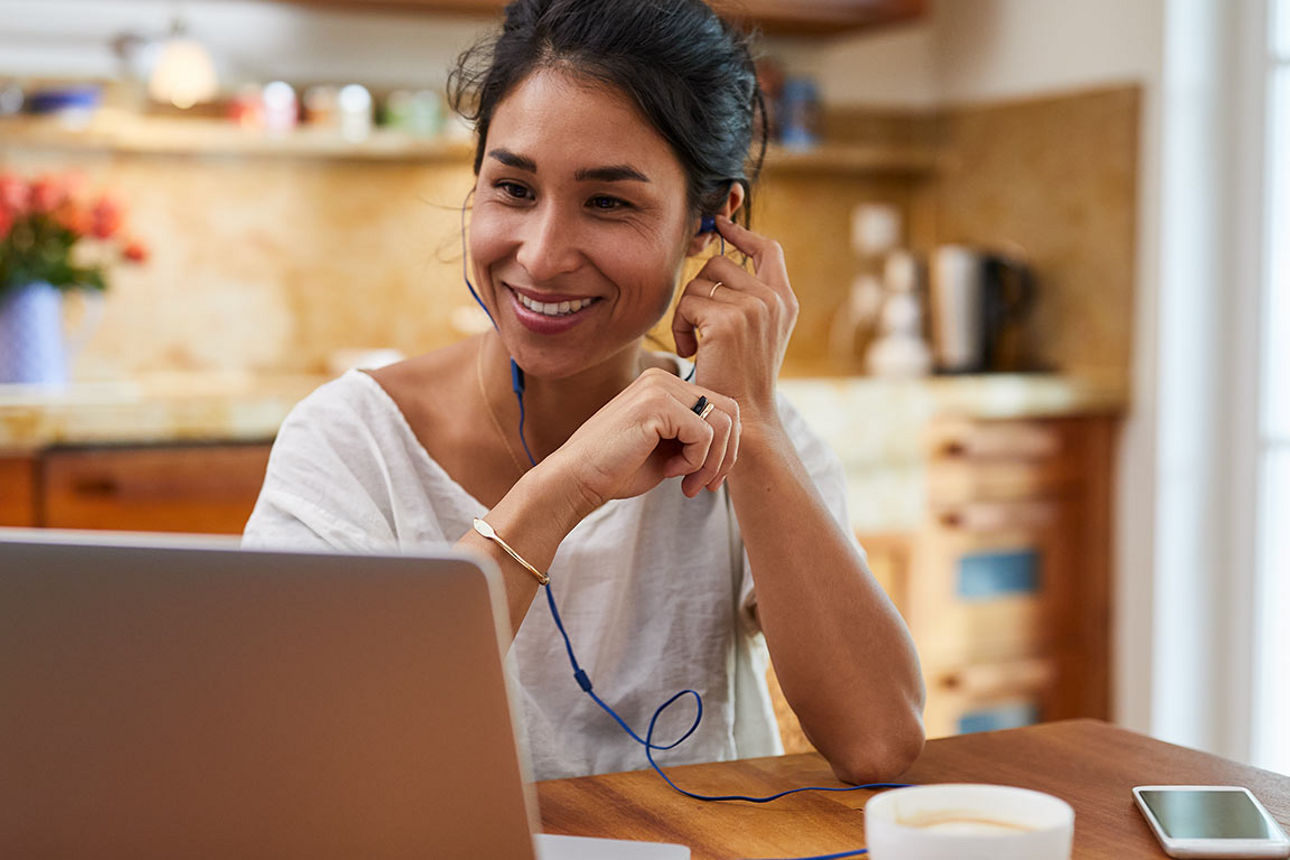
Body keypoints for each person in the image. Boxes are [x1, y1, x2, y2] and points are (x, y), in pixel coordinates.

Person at [244, 0, 924, 784]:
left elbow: (880, 745)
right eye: (513, 188)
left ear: (709, 225)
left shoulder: (750, 432)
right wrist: (564, 488)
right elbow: (305, 751)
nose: (540, 255)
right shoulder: (349, 442)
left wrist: (760, 428)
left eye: (608, 202)